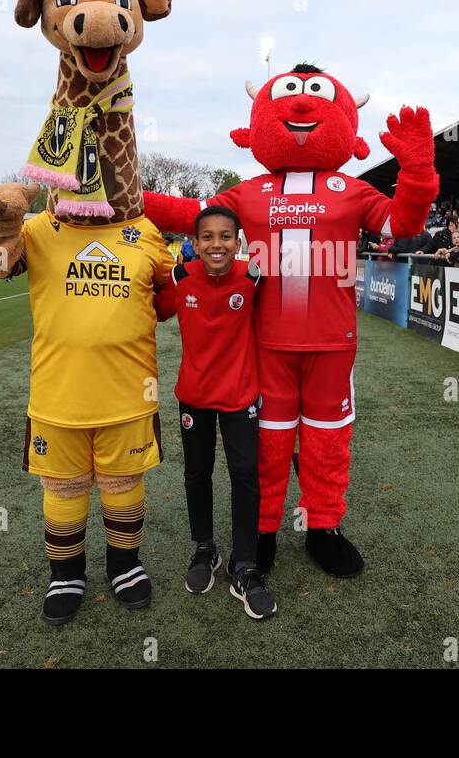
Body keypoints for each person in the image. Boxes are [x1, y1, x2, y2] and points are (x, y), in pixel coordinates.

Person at [155, 206, 276, 620]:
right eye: (207, 237)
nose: (216, 244)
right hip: (194, 397)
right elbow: (152, 310)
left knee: (245, 476)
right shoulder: (180, 277)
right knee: (196, 473)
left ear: (238, 242)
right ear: (195, 243)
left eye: (226, 236)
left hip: (242, 397)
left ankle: (245, 565)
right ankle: (205, 549)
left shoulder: (254, 277)